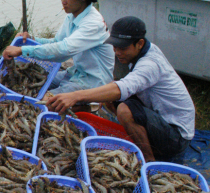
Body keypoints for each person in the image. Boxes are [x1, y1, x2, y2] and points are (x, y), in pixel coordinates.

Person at [46, 16, 195, 162]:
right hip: (160, 117)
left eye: (122, 48)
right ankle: (133, 134)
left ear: (140, 43)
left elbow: (121, 88)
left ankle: (149, 160)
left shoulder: (150, 64)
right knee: (111, 96)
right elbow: (117, 89)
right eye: (115, 47)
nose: (117, 52)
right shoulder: (143, 51)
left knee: (125, 109)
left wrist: (75, 96)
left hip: (176, 136)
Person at [2, 0, 114, 94]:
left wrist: (22, 50)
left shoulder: (93, 23)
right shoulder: (72, 16)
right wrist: (30, 40)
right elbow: (57, 41)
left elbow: (63, 51)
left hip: (94, 82)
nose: (63, 1)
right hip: (76, 72)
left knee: (46, 101)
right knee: (31, 82)